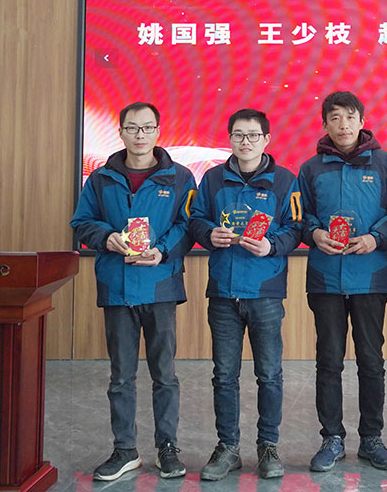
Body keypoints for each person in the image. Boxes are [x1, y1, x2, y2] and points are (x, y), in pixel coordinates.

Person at [70, 102, 196, 482]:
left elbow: (188, 225)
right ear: (121, 132)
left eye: (147, 128)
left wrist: (163, 250)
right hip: (117, 287)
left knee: (165, 374)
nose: (140, 135)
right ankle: (125, 449)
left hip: (160, 286)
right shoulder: (100, 178)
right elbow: (81, 222)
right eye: (132, 128)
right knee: (121, 376)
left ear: (158, 131)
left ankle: (167, 448)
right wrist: (106, 238)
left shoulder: (180, 177)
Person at [188, 108, 302, 481]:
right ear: (230, 139)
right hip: (223, 291)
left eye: (253, 135)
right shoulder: (212, 179)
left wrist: (272, 245)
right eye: (238, 135)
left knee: (268, 374)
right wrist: (209, 234)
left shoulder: (285, 181)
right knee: (224, 374)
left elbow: (296, 227)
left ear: (266, 139)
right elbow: (196, 219)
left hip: (265, 292)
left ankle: (268, 446)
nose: (245, 142)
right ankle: (228, 447)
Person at [297, 91, 387, 472]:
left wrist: (376, 237)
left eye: (349, 117)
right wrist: (314, 233)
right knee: (328, 360)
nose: (342, 125)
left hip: (370, 277)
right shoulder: (311, 169)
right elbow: (300, 214)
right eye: (334, 118)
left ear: (362, 121)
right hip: (325, 278)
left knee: (371, 360)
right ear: (324, 124)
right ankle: (331, 437)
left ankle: (371, 438)